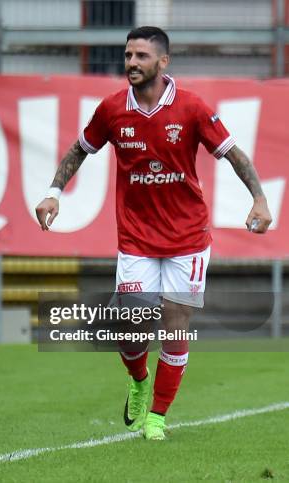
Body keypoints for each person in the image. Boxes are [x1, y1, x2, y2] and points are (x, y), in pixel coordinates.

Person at [35, 26, 272, 441]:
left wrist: (260, 199)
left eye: (141, 56)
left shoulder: (192, 108)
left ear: (163, 62)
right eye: (128, 55)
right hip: (137, 238)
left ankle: (158, 417)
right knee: (130, 328)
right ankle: (139, 379)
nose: (131, 63)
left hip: (188, 239)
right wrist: (54, 192)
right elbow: (79, 149)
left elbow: (234, 154)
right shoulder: (111, 109)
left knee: (174, 329)